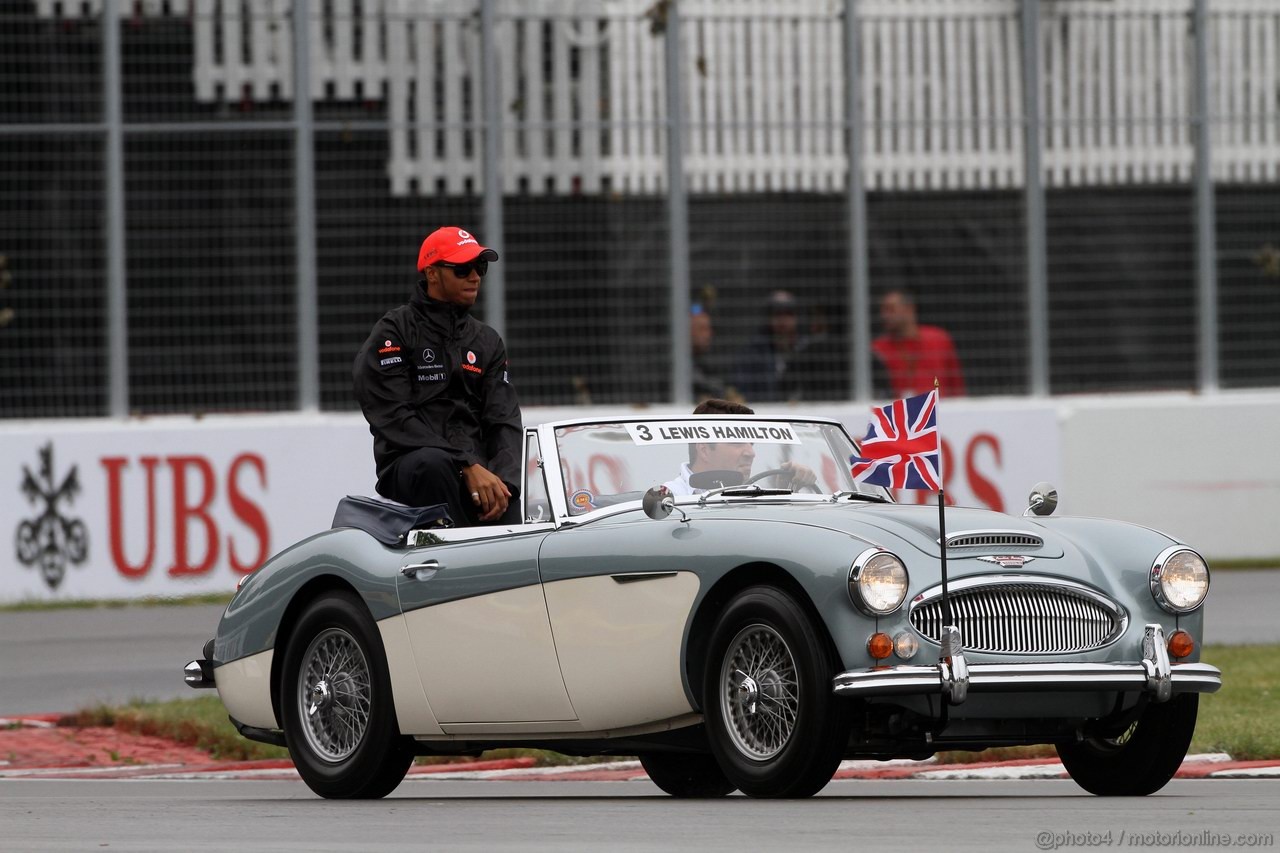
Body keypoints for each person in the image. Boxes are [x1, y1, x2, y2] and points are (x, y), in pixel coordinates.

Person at [353, 226, 521, 526]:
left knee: (510, 496)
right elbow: (392, 416)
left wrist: (505, 484)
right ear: (432, 274)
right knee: (434, 465)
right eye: (462, 269)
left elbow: (503, 421)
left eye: (479, 267)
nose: (475, 277)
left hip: (477, 472)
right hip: (413, 466)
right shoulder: (395, 331)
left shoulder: (487, 341)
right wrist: (464, 463)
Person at [661, 398, 816, 495]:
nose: (751, 452)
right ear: (704, 450)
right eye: (737, 442)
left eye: (751, 443)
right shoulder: (666, 499)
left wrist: (786, 492)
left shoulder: (758, 497)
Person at [872, 287, 966, 398]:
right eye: (883, 310)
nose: (885, 316)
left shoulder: (939, 340)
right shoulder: (878, 349)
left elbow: (956, 384)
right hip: (899, 412)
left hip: (939, 410)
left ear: (909, 309)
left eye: (891, 309)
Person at [731, 290, 806, 403]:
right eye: (777, 313)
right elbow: (744, 392)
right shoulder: (753, 353)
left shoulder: (806, 350)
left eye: (788, 313)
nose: (783, 319)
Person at [690, 302, 735, 402]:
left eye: (709, 329)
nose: (709, 334)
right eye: (703, 329)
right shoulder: (676, 369)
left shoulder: (708, 362)